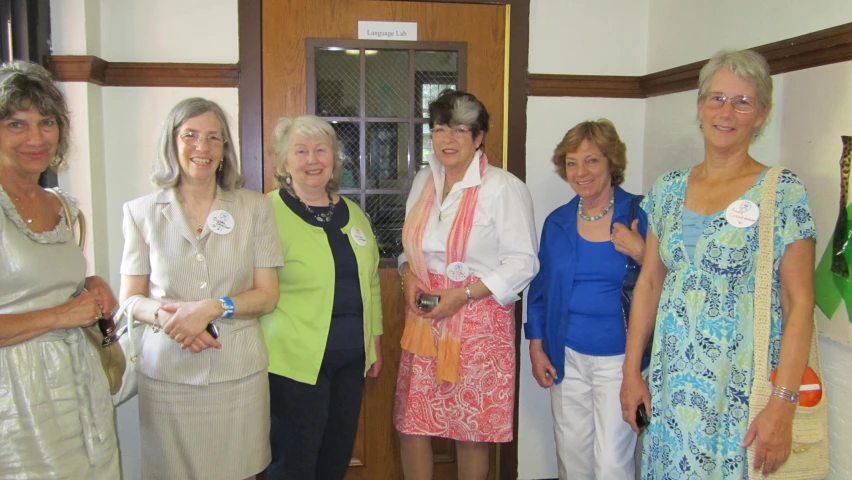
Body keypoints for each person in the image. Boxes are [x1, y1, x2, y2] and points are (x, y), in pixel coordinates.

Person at [620, 50, 817, 478]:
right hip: (672, 389)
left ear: (762, 114)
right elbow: (650, 284)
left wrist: (782, 403)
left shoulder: (783, 191)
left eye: (743, 102)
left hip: (745, 393)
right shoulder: (667, 190)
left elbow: (800, 302)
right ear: (699, 105)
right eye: (717, 98)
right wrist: (632, 372)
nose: (727, 112)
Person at [119, 98, 283, 480]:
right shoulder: (140, 211)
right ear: (172, 143)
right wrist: (173, 319)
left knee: (240, 472)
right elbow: (130, 298)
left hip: (237, 372)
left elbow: (267, 295)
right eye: (190, 135)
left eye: (214, 138)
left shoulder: (254, 208)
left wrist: (212, 308)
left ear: (225, 148)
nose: (202, 148)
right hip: (168, 373)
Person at [394, 90, 539, 480]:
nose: (448, 138)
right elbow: (409, 247)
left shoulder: (503, 187)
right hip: (424, 317)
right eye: (440, 128)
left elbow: (523, 262)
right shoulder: (424, 180)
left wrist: (463, 295)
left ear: (479, 137)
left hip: (479, 319)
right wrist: (407, 275)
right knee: (413, 425)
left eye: (461, 129)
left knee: (471, 431)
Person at [0, 60, 120, 478]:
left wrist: (87, 283)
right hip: (14, 403)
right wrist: (59, 316)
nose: (35, 138)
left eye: (46, 122)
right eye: (16, 124)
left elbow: (38, 278)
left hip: (78, 387)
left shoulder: (61, 206)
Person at [260, 115, 383, 480]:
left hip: (350, 359)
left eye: (320, 150)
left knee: (336, 455)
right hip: (293, 361)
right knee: (293, 460)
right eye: (300, 151)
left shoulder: (354, 213)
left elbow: (371, 281)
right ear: (284, 162)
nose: (312, 159)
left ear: (334, 159)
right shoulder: (265, 212)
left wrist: (374, 342)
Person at [525, 119, 648, 479]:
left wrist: (641, 253)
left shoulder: (639, 214)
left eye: (592, 160)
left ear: (612, 162)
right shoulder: (557, 221)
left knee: (612, 462)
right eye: (572, 162)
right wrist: (536, 347)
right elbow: (541, 289)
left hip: (621, 361)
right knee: (572, 457)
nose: (581, 172)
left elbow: (671, 281)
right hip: (567, 357)